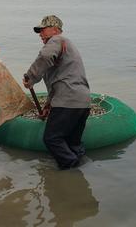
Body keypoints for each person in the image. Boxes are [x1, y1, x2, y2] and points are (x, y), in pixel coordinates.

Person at [23, 15, 90, 169]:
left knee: (51, 139)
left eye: (43, 30)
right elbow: (59, 82)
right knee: (73, 142)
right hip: (83, 102)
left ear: (55, 29)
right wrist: (48, 106)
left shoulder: (57, 40)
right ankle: (80, 173)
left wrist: (30, 77)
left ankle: (69, 168)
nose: (40, 34)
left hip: (68, 101)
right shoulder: (68, 46)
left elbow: (45, 56)